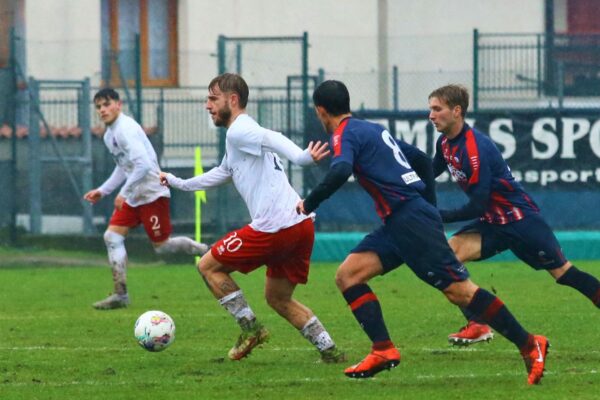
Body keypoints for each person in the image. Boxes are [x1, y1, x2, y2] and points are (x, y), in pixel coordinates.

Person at [296, 80, 548, 385]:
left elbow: (340, 170)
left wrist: (309, 202)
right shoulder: (372, 128)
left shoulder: (344, 134)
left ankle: (528, 342)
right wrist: (427, 205)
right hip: (400, 221)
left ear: (321, 111)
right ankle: (383, 350)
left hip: (410, 220)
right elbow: (418, 159)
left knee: (460, 291)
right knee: (348, 275)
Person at [159, 73, 346, 363]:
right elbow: (223, 172)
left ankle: (251, 330)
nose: (207, 105)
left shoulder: (240, 130)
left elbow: (273, 137)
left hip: (276, 227)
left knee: (208, 266)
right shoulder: (237, 138)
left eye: (212, 98)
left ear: (232, 100)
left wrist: (302, 158)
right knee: (278, 298)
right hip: (301, 224)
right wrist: (178, 182)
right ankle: (329, 350)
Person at [429, 84, 600, 346]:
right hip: (493, 223)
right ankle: (477, 324)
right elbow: (429, 174)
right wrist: (404, 188)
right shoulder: (445, 143)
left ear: (456, 111)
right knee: (446, 258)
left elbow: (476, 205)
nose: (431, 115)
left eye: (436, 109)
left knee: (564, 274)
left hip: (520, 220)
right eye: (430, 109)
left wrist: (437, 215)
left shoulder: (475, 149)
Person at [84, 88, 209, 310]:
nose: (102, 110)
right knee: (112, 237)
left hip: (152, 194)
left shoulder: (126, 129)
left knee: (162, 247)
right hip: (133, 197)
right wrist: (103, 190)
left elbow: (143, 165)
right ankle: (120, 295)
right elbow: (124, 168)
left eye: (106, 104)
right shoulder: (109, 135)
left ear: (118, 104)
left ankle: (202, 249)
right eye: (98, 107)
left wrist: (123, 193)